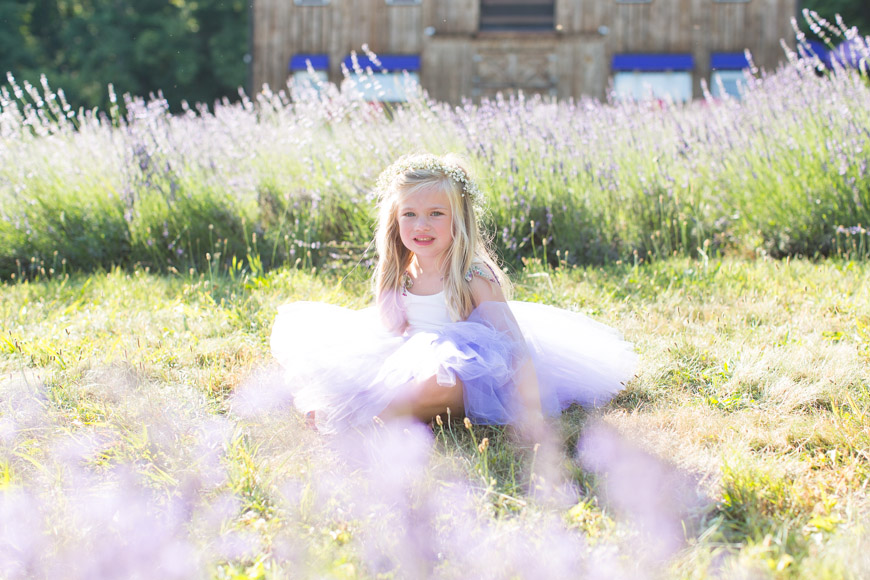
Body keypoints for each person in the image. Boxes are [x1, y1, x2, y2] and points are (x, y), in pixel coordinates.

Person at [270, 153, 636, 435]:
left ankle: (366, 418)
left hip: (468, 370)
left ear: (458, 219)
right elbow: (391, 334)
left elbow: (514, 345)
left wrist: (533, 410)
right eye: (410, 214)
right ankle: (356, 401)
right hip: (408, 358)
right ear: (395, 221)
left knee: (443, 382)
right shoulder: (400, 273)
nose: (422, 225)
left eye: (435, 214)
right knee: (339, 366)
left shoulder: (472, 276)